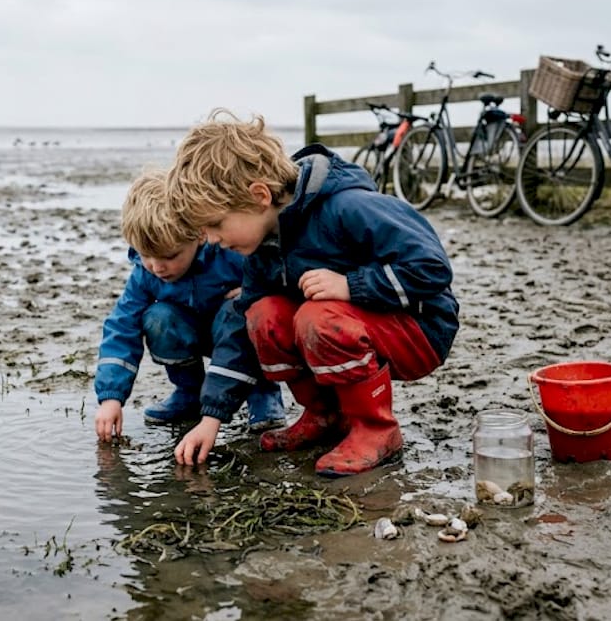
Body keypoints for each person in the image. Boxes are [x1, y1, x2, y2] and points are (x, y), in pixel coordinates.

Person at [167, 109, 460, 477]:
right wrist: (212, 417)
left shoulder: (347, 206)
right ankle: (325, 415)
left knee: (317, 317)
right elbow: (241, 331)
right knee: (262, 315)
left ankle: (375, 429)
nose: (210, 240)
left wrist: (350, 286)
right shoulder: (263, 247)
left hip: (420, 329)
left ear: (259, 196)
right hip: (349, 326)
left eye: (214, 225)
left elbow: (432, 268)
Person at [93, 171, 286, 443]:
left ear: (200, 234)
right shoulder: (144, 274)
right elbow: (122, 326)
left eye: (170, 256)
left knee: (249, 311)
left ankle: (263, 394)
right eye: (146, 256)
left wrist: (255, 290)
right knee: (158, 318)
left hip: (237, 336)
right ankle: (190, 392)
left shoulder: (231, 252)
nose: (157, 267)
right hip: (191, 332)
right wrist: (110, 398)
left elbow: (277, 274)